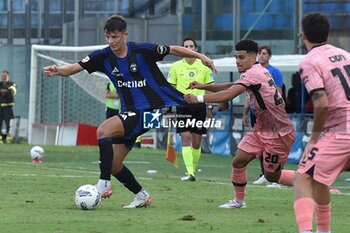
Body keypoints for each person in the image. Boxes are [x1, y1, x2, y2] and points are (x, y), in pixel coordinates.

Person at [43, 15, 216, 209]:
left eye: (115, 37)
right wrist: (58, 70)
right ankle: (141, 195)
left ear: (125, 35)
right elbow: (74, 68)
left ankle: (103, 183)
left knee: (103, 131)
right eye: (108, 37)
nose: (111, 41)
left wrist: (202, 57)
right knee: (115, 165)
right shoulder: (102, 56)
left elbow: (173, 48)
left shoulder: (143, 50)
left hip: (150, 110)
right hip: (130, 111)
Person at [184, 39, 295, 209]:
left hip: (278, 132)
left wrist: (198, 97)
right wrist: (204, 86)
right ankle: (238, 201)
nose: (237, 61)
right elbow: (233, 86)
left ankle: (311, 179)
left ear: (252, 57)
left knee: (272, 176)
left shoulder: (253, 74)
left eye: (241, 57)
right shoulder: (258, 70)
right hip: (261, 129)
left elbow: (228, 95)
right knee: (238, 162)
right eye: (236, 57)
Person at [293, 13, 350, 233]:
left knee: (302, 178)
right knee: (319, 179)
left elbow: (322, 104)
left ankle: (306, 230)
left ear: (303, 35)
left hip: (341, 132)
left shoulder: (309, 61)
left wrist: (313, 139)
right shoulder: (346, 55)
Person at [167, 37, 214, 181]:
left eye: (191, 46)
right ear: (181, 50)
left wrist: (210, 107)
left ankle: (192, 170)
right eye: (185, 46)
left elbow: (210, 88)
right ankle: (190, 173)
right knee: (185, 138)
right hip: (182, 106)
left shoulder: (204, 65)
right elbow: (171, 89)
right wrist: (169, 110)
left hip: (199, 105)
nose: (188, 48)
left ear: (196, 49)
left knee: (197, 142)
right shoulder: (175, 66)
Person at [244, 45, 285, 185]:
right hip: (255, 113)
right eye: (260, 53)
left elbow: (278, 93)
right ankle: (264, 173)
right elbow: (248, 95)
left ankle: (277, 176)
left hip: (269, 113)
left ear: (269, 56)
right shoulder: (251, 71)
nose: (262, 56)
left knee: (273, 144)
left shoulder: (274, 72)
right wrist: (245, 112)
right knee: (260, 143)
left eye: (264, 53)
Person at [0, 70, 17, 144]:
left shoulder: (12, 84)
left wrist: (4, 91)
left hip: (8, 108)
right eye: (2, 75)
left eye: (5, 75)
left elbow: (11, 93)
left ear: (8, 76)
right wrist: (5, 91)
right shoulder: (0, 84)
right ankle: (1, 139)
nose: (3, 77)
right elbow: (7, 92)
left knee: (9, 124)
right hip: (0, 108)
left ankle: (8, 139)